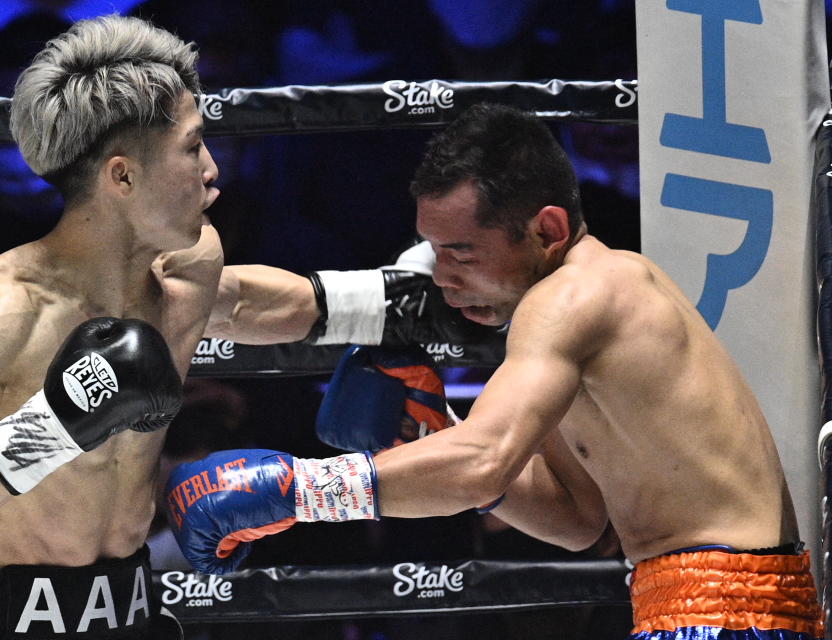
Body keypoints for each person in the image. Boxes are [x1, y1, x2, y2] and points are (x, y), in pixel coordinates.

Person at [169, 103, 824, 640]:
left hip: (722, 608)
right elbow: (576, 518)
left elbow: (482, 463)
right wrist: (433, 436)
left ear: (547, 229)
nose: (444, 276)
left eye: (463, 251)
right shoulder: (579, 311)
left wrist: (300, 489)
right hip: (708, 602)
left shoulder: (573, 299)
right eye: (435, 250)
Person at [0, 15, 221, 639]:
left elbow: (260, 302)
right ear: (122, 176)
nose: (212, 169)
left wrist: (394, 300)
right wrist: (57, 425)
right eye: (193, 145)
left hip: (133, 614)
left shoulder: (193, 267)